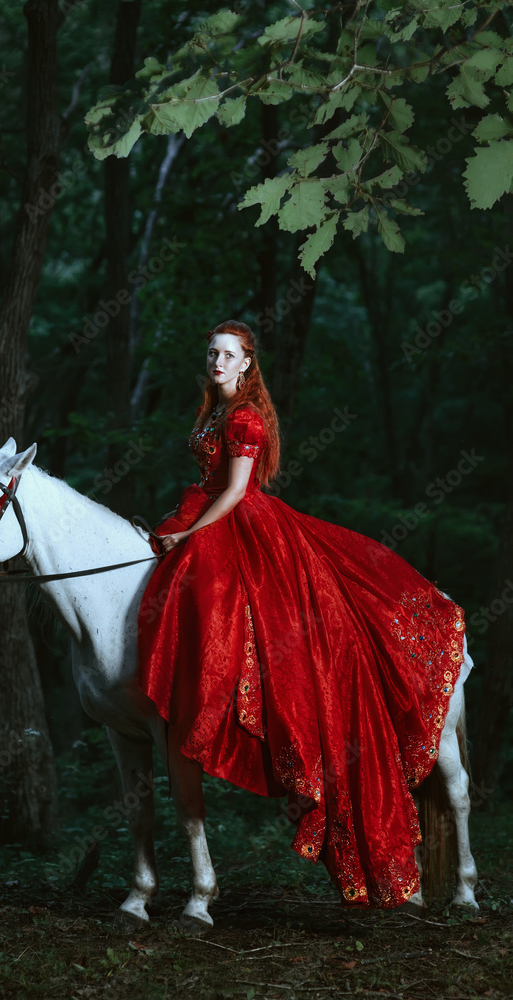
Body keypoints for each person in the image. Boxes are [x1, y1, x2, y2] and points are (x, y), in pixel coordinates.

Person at [136, 319, 466, 908]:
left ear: (247, 364)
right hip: (216, 512)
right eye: (211, 351)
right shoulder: (214, 411)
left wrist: (188, 533)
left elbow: (236, 491)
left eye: (229, 355)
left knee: (254, 611)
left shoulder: (245, 417)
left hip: (248, 524)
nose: (217, 361)